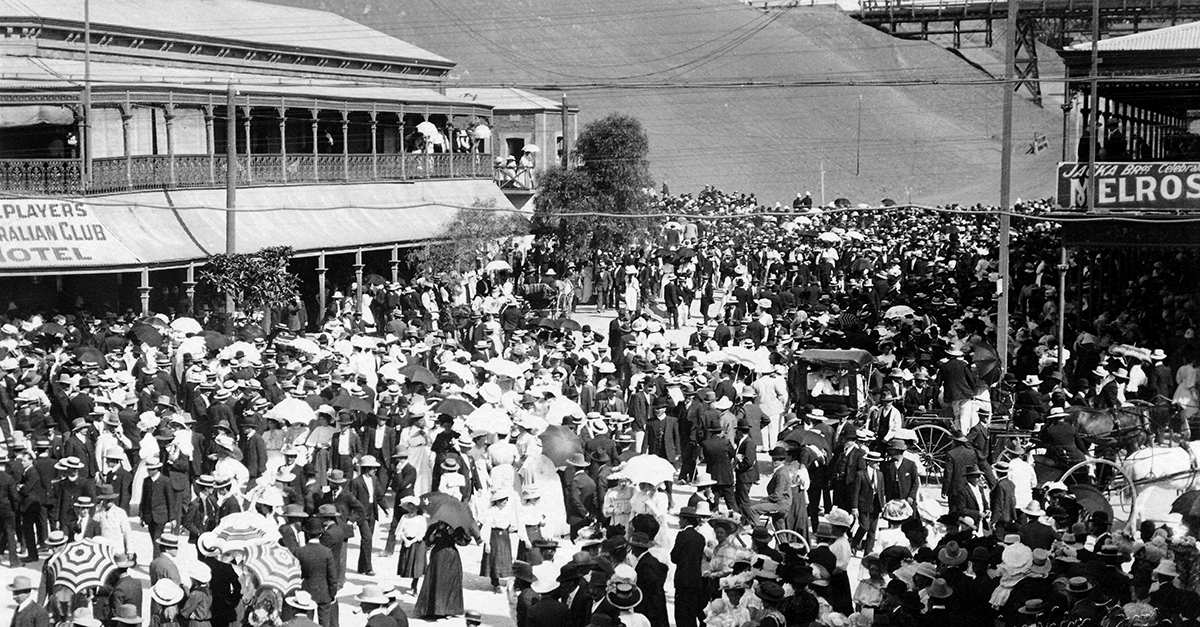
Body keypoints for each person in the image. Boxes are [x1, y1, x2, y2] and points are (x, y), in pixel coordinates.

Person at [414, 521, 465, 619]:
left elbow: (463, 542)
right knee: (435, 581)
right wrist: (433, 535)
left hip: (451, 557)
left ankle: (449, 610)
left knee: (450, 583)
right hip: (437, 556)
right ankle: (431, 610)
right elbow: (427, 543)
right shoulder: (434, 527)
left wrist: (453, 534)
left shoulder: (455, 527)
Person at [671, 506, 709, 627]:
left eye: (681, 519)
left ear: (686, 520)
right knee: (691, 612)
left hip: (683, 579)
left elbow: (674, 557)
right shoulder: (700, 537)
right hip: (696, 579)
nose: (679, 521)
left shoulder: (682, 535)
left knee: (681, 614)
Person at [481, 489, 517, 593]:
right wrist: (487, 542)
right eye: (502, 500)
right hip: (494, 536)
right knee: (494, 559)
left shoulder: (508, 510)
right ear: (496, 501)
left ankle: (504, 578)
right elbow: (487, 527)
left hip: (504, 536)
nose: (504, 501)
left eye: (506, 499)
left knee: (504, 559)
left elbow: (512, 522)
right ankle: (495, 583)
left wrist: (511, 527)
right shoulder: (491, 511)